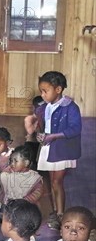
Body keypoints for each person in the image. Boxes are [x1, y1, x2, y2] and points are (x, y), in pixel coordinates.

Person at [28, 71, 82, 229]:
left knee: (57, 182)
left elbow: (75, 129)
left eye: (45, 91)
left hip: (62, 150)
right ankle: (58, 211)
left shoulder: (70, 107)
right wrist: (41, 135)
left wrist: (54, 136)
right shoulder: (44, 107)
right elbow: (43, 126)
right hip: (49, 148)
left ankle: (60, 215)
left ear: (58, 90)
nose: (42, 95)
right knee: (52, 182)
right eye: (41, 91)